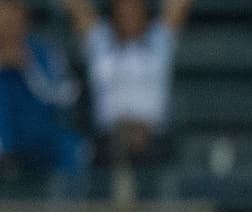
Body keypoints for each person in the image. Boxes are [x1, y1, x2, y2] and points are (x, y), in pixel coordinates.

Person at [61, 0, 193, 165]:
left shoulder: (159, 42)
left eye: (134, 10)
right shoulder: (100, 43)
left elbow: (178, 6)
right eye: (122, 11)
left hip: (153, 141)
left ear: (145, 15)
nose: (128, 16)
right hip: (106, 142)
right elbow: (77, 7)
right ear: (113, 16)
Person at [0, 0, 85, 180]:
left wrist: (29, 68)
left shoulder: (44, 52)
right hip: (5, 139)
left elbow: (67, 95)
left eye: (14, 18)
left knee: (72, 147)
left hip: (41, 135)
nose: (8, 27)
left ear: (24, 20)